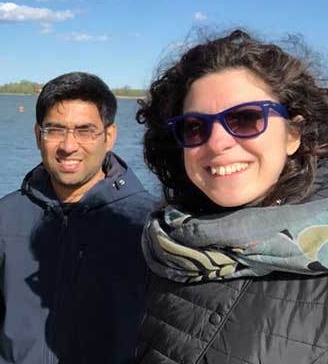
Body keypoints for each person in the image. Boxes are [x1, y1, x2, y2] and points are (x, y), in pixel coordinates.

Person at [135, 29, 328, 363]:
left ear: (293, 134)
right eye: (195, 127)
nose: (217, 142)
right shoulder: (170, 246)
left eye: (246, 118)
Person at [0, 72, 156, 363]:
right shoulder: (5, 217)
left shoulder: (144, 224)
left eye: (85, 131)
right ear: (38, 135)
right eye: (55, 130)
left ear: (109, 136)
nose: (68, 145)